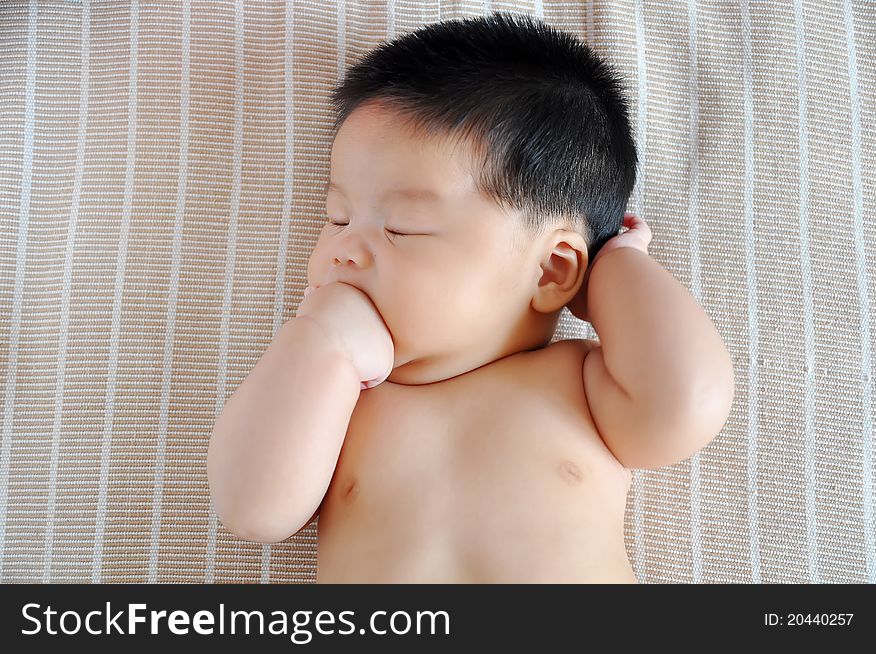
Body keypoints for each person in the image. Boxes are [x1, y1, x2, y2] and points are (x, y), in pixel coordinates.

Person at [207, 12, 735, 583]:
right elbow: (252, 508)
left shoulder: (580, 384)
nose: (345, 250)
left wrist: (616, 268)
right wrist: (320, 340)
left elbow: (685, 404)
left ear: (554, 269)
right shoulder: (338, 402)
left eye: (403, 226)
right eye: (336, 217)